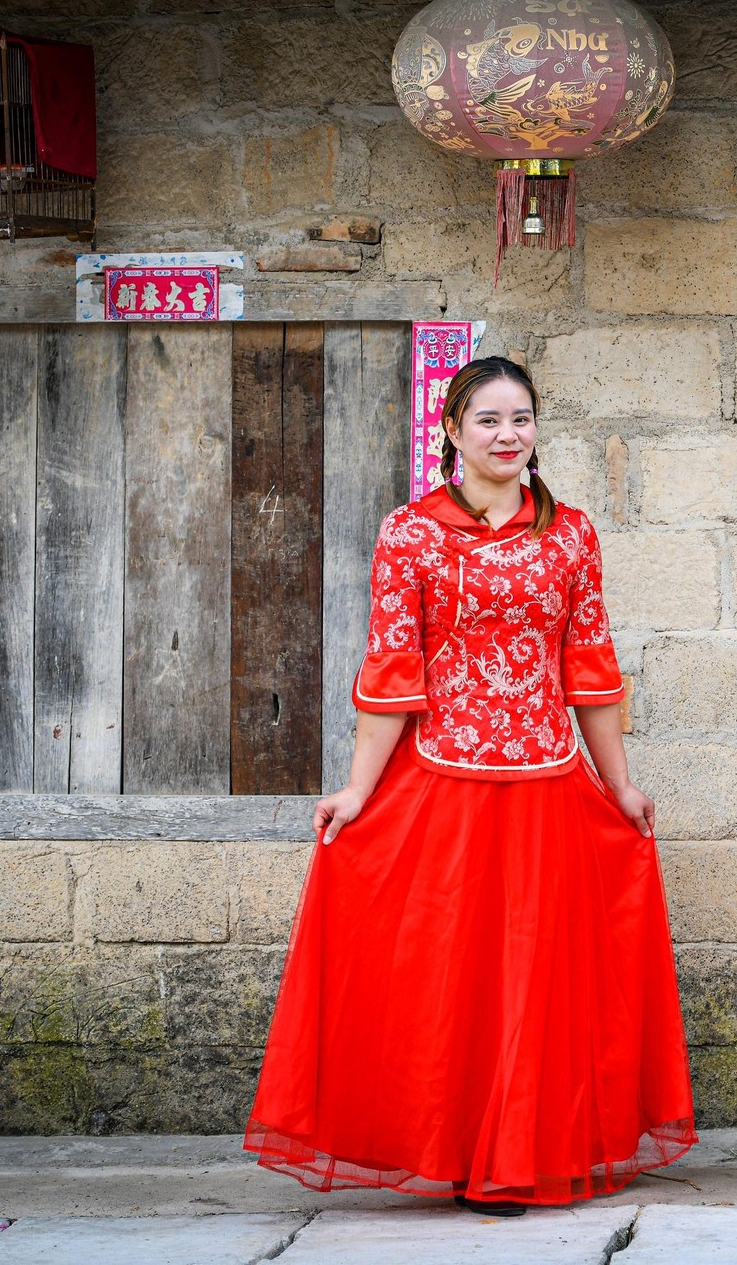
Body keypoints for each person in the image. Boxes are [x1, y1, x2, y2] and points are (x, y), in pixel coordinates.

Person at [245, 357, 695, 1214]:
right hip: (442, 786)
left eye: (520, 418)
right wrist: (354, 791)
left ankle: (517, 1156)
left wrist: (621, 785)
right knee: (452, 979)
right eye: (487, 420)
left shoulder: (571, 534)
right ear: (451, 429)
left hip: (547, 787)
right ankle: (454, 1151)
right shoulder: (411, 533)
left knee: (533, 979)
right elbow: (391, 673)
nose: (506, 435)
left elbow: (589, 669)